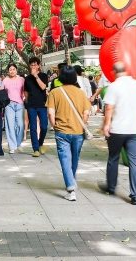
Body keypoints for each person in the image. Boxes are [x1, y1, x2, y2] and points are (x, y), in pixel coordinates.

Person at [99, 62, 136, 205]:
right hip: (134, 130)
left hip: (117, 129)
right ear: (126, 71)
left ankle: (111, 187)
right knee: (134, 162)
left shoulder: (113, 86)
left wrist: (106, 125)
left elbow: (109, 108)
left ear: (114, 72)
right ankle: (135, 195)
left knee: (113, 158)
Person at [46, 66, 91, 201]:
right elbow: (86, 113)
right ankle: (72, 180)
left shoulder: (55, 92)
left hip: (62, 132)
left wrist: (54, 126)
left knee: (65, 159)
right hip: (78, 132)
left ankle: (71, 188)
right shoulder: (81, 93)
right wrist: (81, 124)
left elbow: (50, 113)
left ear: (61, 77)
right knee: (75, 158)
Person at [24, 57, 49, 157]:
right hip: (31, 105)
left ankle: (40, 143)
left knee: (44, 126)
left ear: (38, 66)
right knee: (33, 127)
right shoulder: (27, 78)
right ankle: (35, 149)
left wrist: (35, 76)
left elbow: (43, 87)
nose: (33, 67)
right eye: (32, 65)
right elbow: (26, 92)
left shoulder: (44, 76)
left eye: (35, 65)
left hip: (42, 104)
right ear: (29, 66)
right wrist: (27, 101)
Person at [2, 64, 25, 154]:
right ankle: (12, 146)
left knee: (21, 125)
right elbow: (2, 92)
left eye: (13, 69)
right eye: (10, 69)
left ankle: (18, 143)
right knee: (10, 126)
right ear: (8, 71)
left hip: (20, 104)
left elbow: (25, 91)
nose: (12, 71)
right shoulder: (5, 81)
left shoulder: (22, 79)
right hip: (9, 105)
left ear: (16, 70)